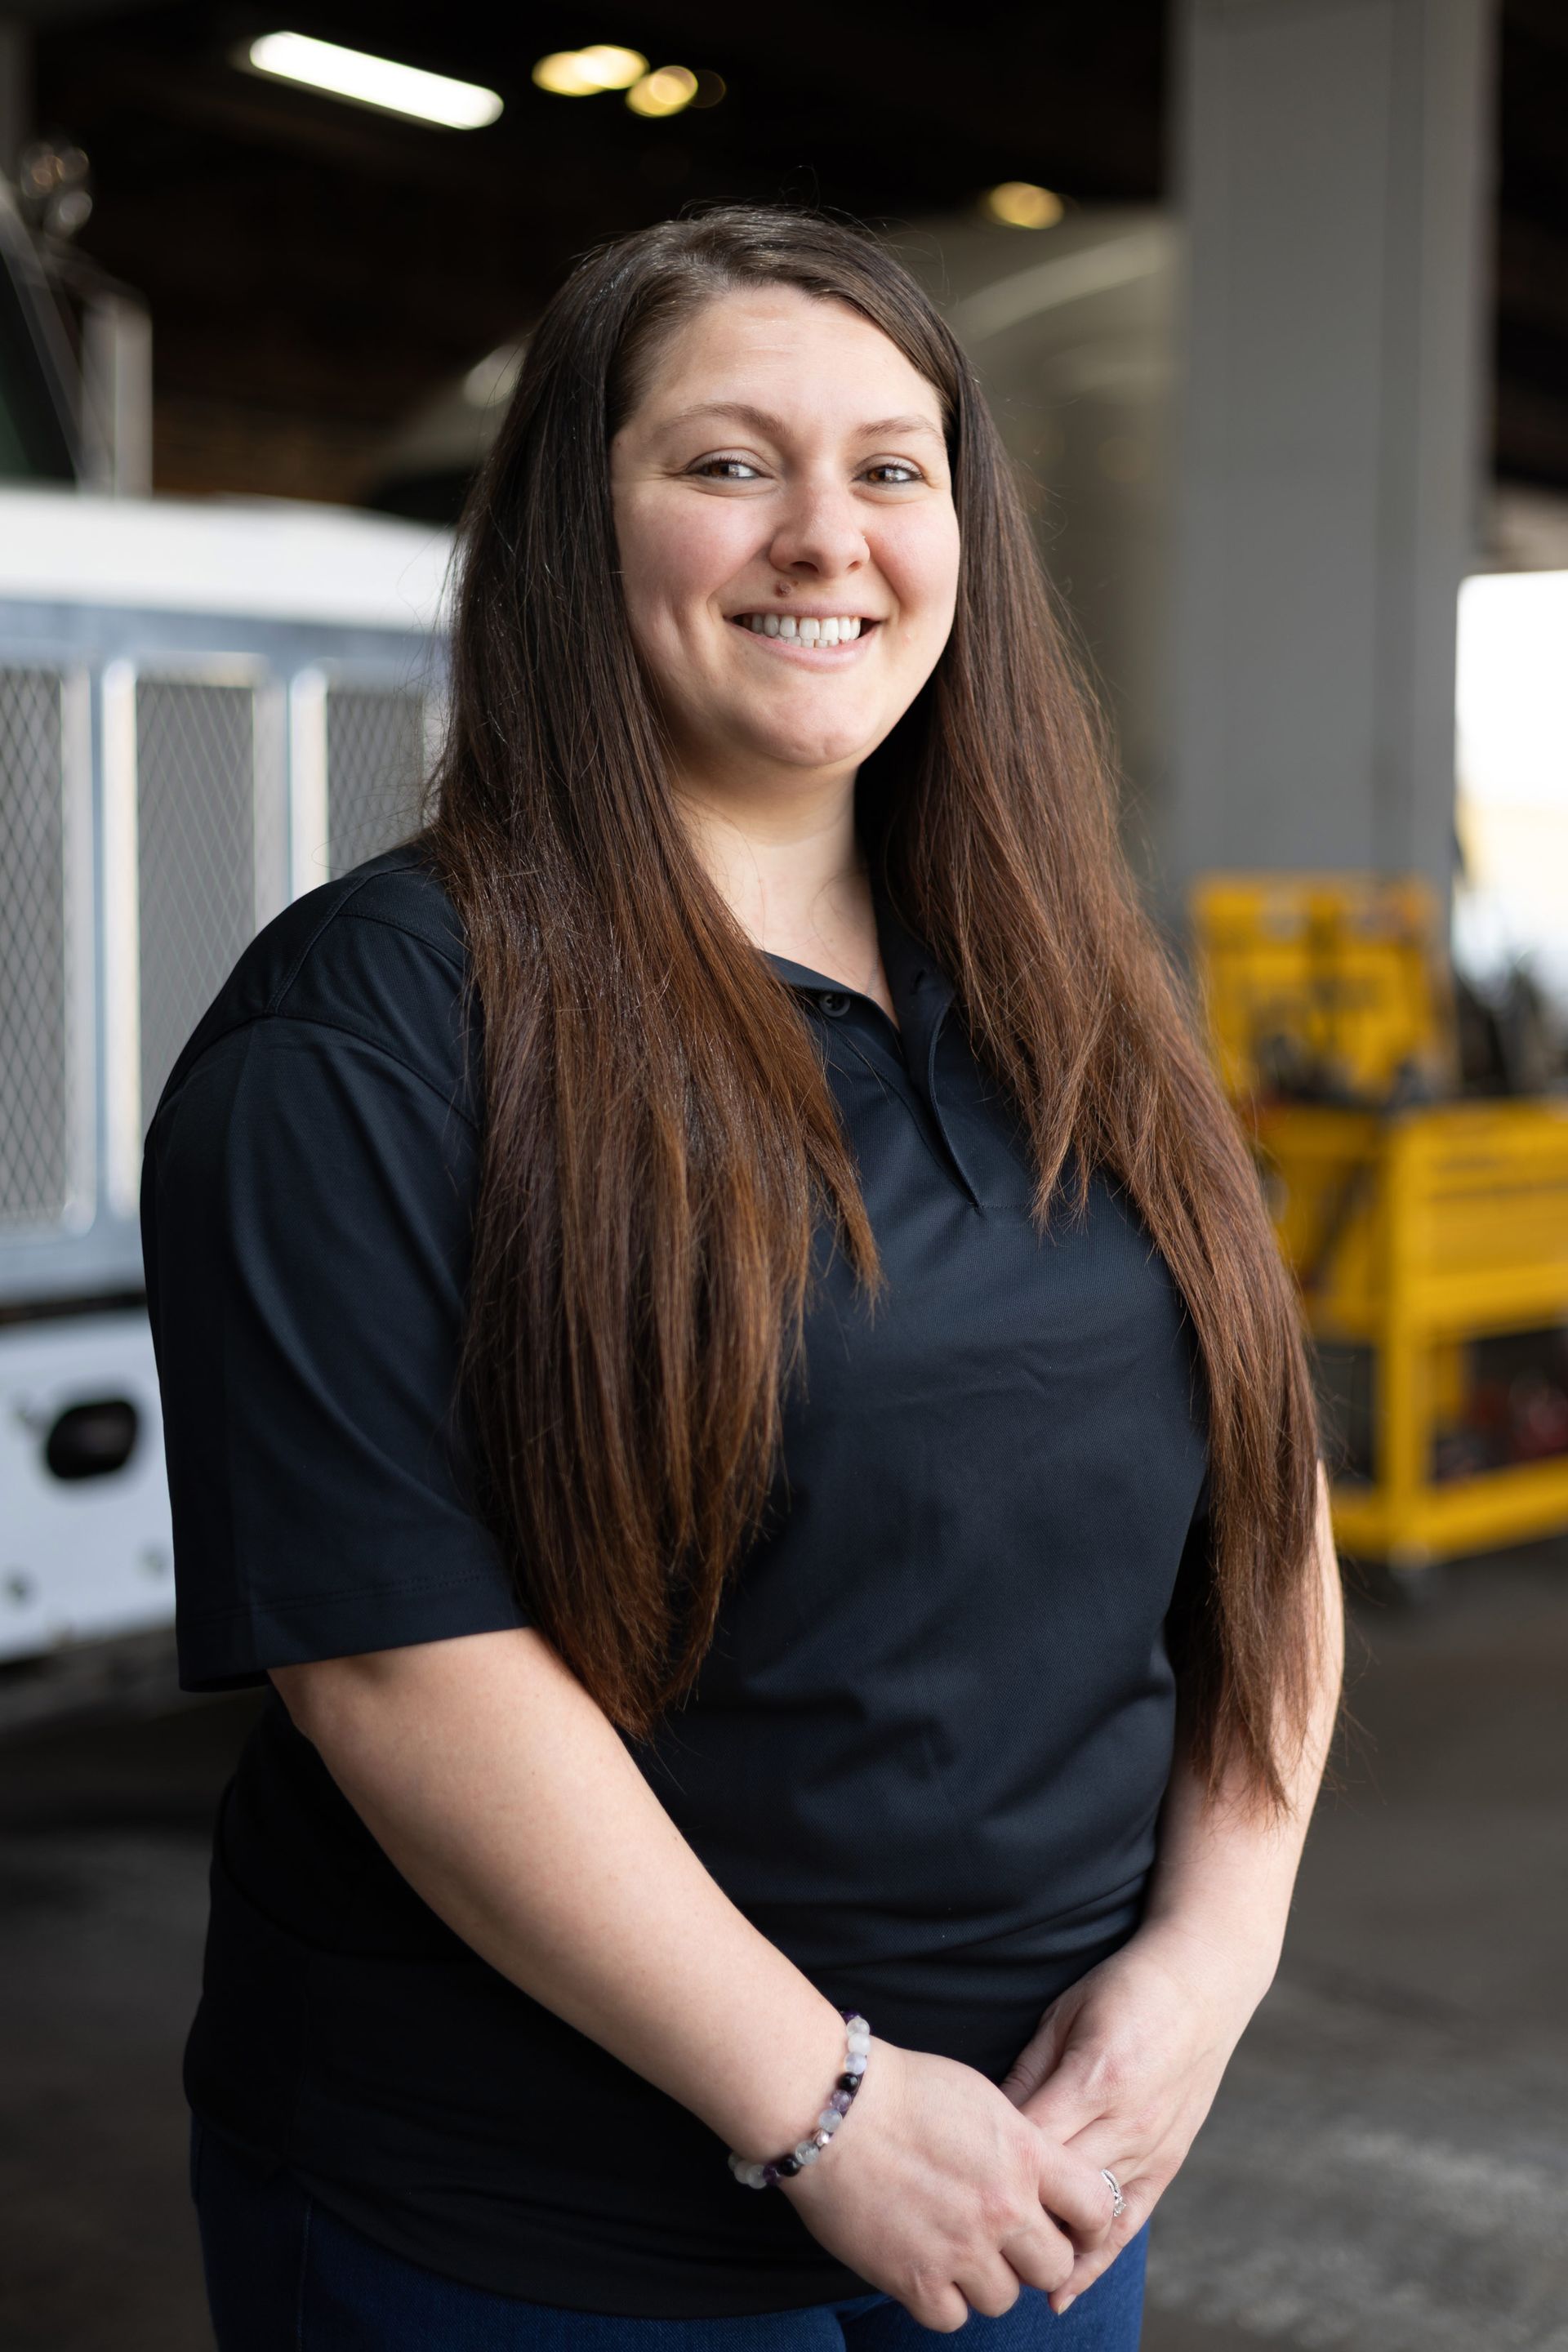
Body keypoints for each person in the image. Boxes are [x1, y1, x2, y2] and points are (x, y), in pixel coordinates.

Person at [141, 205, 1343, 2351]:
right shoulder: (376, 1031)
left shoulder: (1072, 993)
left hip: (1038, 2183)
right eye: (726, 464)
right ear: (570, 536)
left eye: (894, 467)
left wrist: (1208, 1967)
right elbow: (399, 1665)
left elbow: (1260, 1508)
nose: (829, 537)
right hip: (539, 2238)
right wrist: (831, 2117)